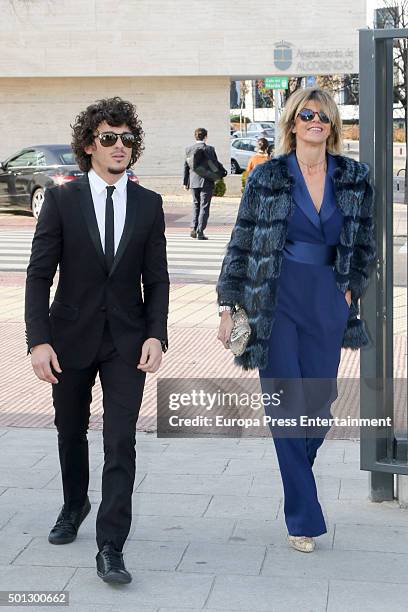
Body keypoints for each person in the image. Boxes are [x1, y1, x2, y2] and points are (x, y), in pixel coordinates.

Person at [216, 87, 376, 553]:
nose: (316, 121)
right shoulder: (266, 177)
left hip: (328, 299)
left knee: (320, 405)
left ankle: (296, 478)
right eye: (307, 114)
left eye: (325, 116)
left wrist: (351, 287)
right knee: (285, 408)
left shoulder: (354, 176)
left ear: (332, 127)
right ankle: (302, 517)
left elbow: (364, 241)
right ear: (291, 123)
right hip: (276, 299)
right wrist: (228, 305)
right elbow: (241, 243)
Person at [25, 97, 169, 583]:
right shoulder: (62, 199)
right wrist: (38, 340)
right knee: (70, 432)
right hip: (68, 337)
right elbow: (38, 275)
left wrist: (156, 334)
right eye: (109, 138)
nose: (119, 147)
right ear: (89, 145)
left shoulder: (149, 204)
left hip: (126, 341)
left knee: (121, 440)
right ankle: (74, 504)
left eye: (127, 139)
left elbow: (159, 279)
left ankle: (111, 544)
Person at [183, 127, 219, 240]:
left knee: (195, 204)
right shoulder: (210, 149)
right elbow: (215, 165)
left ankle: (194, 228)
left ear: (195, 136)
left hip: (193, 181)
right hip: (207, 181)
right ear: (206, 137)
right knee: (204, 206)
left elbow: (186, 166)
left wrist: (185, 182)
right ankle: (200, 231)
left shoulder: (189, 149)